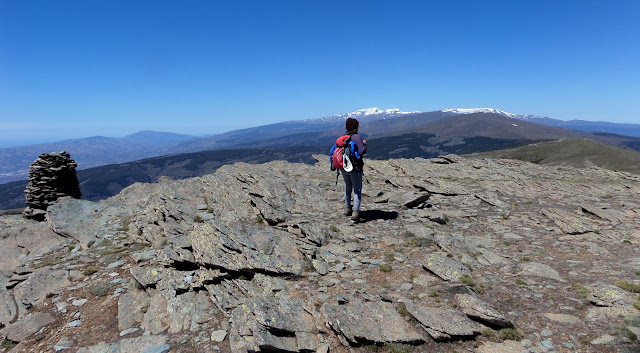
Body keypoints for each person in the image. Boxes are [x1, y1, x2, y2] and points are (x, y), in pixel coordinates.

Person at [342, 118, 367, 222]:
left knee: (348, 187)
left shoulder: (344, 137)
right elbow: (362, 151)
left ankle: (348, 208)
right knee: (357, 189)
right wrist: (365, 144)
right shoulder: (357, 137)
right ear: (356, 126)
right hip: (355, 167)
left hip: (344, 166)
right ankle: (355, 213)